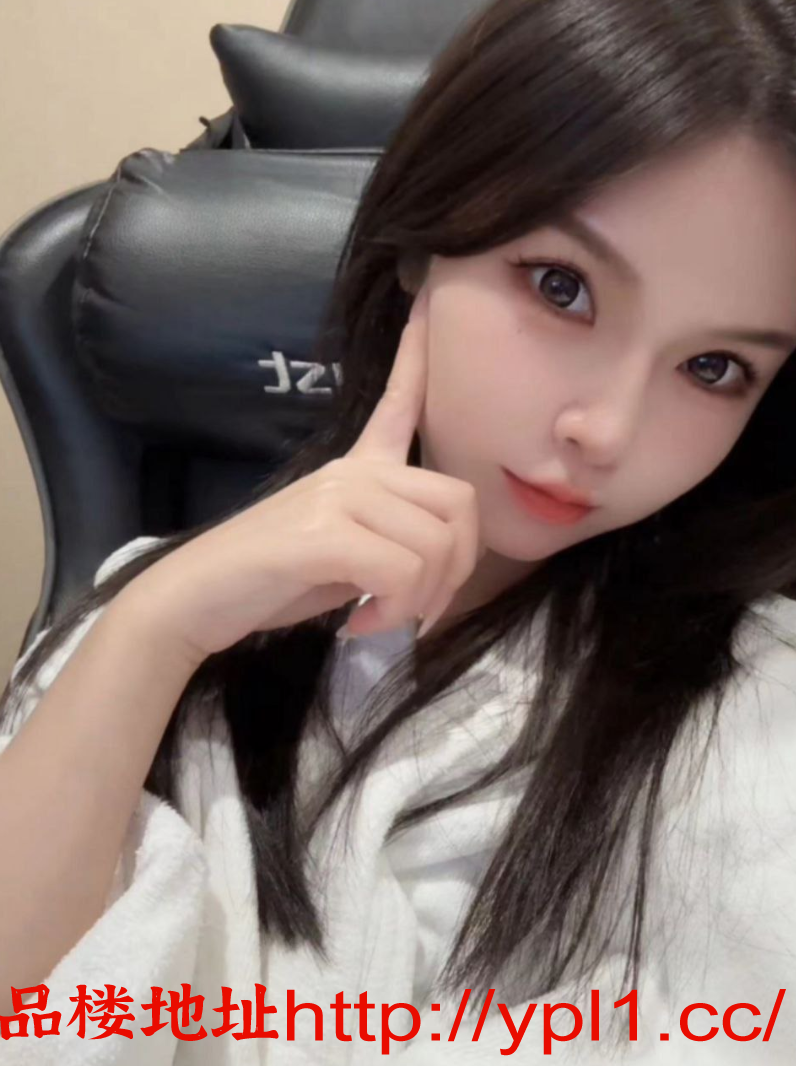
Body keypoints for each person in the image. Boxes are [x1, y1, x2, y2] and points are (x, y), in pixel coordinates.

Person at [4, 0, 796, 1060]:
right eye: (562, 287)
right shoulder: (159, 608)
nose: (606, 431)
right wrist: (153, 632)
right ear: (423, 242)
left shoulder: (754, 709)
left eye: (713, 367)